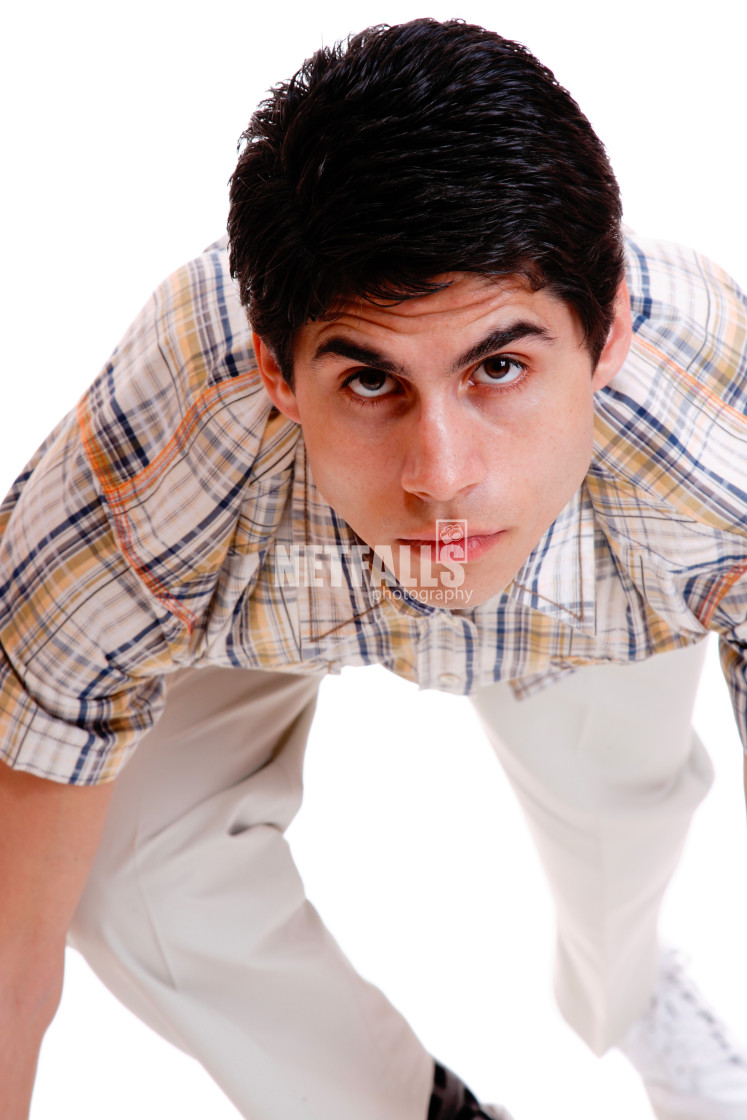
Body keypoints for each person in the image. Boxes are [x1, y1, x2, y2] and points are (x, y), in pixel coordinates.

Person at [1, 16, 746, 1120]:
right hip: (250, 570)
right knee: (124, 871)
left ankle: (630, 995)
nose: (439, 474)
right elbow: (10, 944)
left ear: (612, 331)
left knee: (615, 821)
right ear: (274, 368)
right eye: (369, 381)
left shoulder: (715, 462)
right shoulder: (163, 461)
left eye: (499, 366)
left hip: (597, 588)